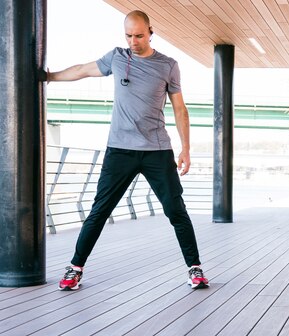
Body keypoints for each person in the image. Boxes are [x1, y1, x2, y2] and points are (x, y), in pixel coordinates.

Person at [46, 10, 208, 290]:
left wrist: (186, 149)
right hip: (119, 151)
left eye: (139, 35)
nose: (133, 41)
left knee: (175, 210)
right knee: (100, 210)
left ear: (150, 32)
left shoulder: (168, 65)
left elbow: (180, 109)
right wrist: (48, 76)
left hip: (157, 150)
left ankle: (195, 268)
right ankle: (75, 268)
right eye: (128, 36)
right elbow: (83, 69)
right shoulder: (117, 58)